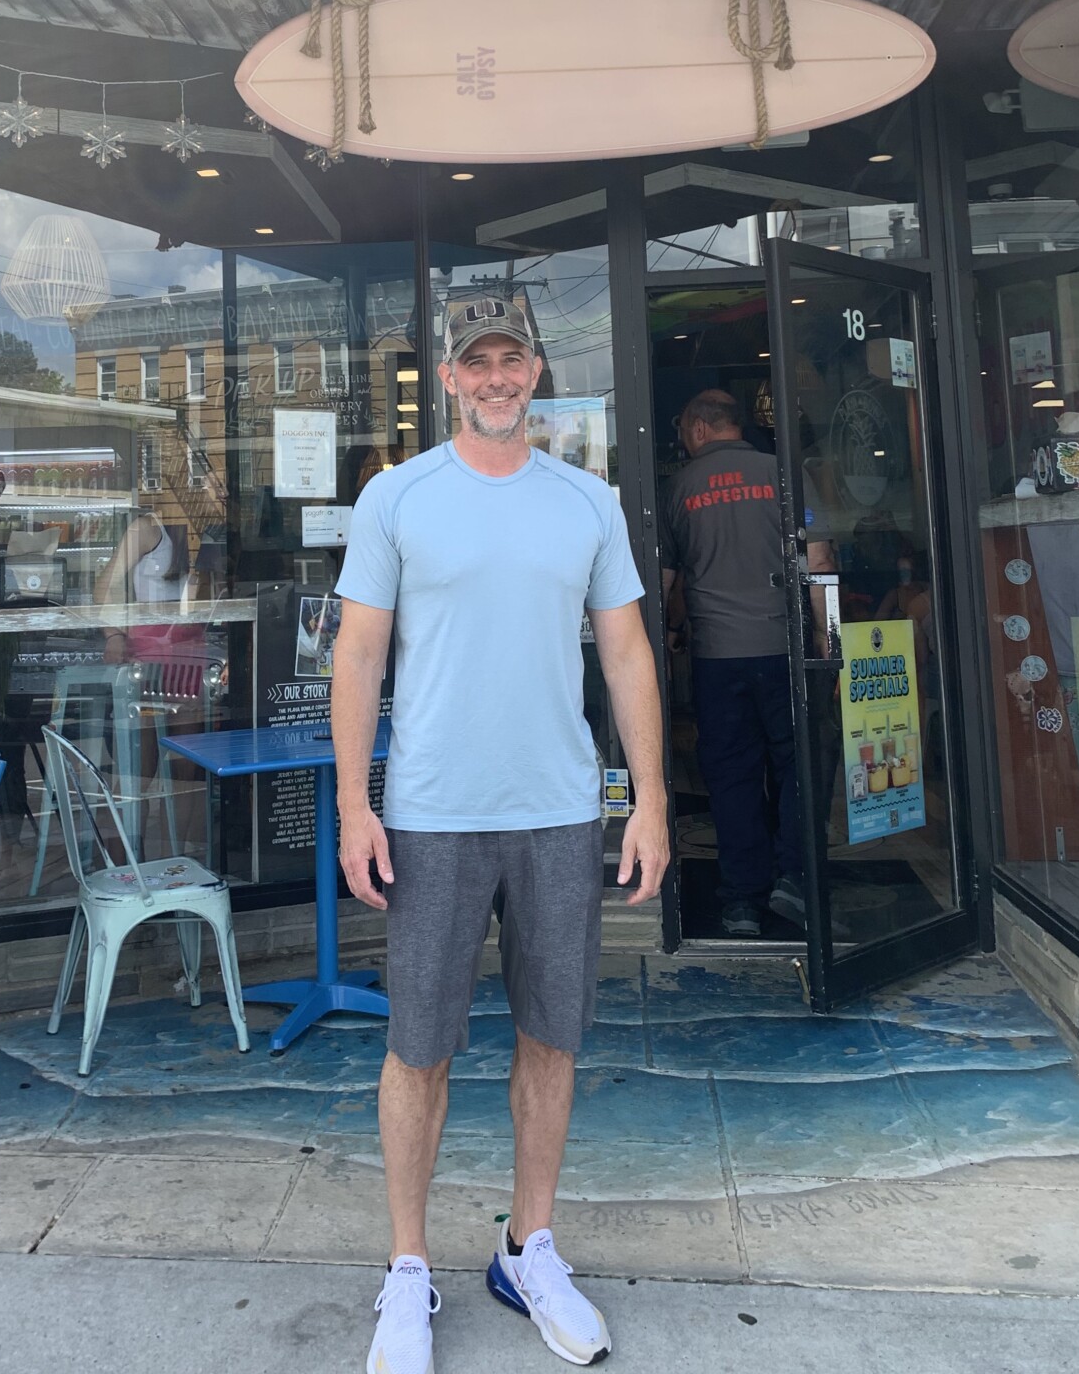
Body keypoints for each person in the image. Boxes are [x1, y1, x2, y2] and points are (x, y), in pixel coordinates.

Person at [332, 295, 668, 1374]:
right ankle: (406, 1269)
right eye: (475, 361)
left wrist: (650, 798)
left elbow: (625, 655)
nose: (495, 377)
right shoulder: (397, 495)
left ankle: (530, 1245)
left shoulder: (589, 501)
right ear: (446, 374)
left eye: (511, 358)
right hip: (432, 811)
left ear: (537, 370)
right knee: (417, 1045)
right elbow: (357, 659)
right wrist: (354, 802)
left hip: (561, 810)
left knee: (552, 1035)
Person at [660, 389, 830, 940]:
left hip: (717, 657)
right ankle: (795, 882)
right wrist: (828, 648)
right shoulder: (785, 473)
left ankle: (740, 901)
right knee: (796, 765)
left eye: (684, 428)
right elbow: (820, 560)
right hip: (784, 648)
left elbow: (665, 583)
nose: (683, 439)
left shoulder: (678, 488)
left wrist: (660, 644)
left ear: (703, 429)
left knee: (731, 776)